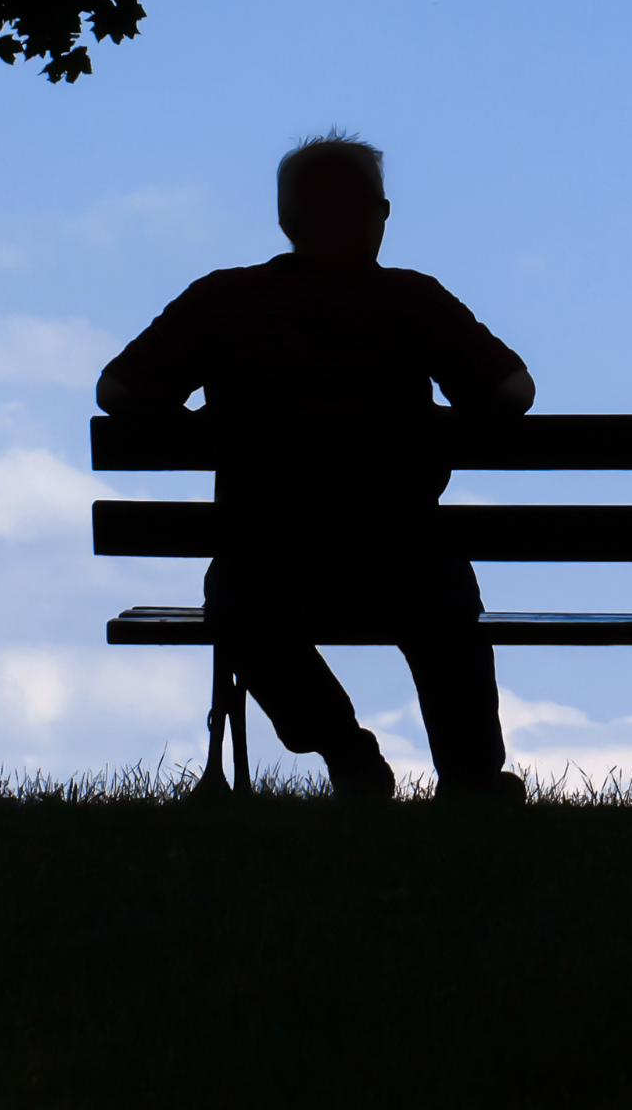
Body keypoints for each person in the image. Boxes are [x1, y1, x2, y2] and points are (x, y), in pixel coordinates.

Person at [96, 131, 535, 802]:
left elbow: (120, 393)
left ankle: (343, 747)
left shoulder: (223, 301)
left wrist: (203, 428)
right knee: (446, 602)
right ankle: (472, 777)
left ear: (286, 220)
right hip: (405, 561)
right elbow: (511, 393)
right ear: (378, 216)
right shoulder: (411, 301)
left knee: (237, 606)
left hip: (267, 564)